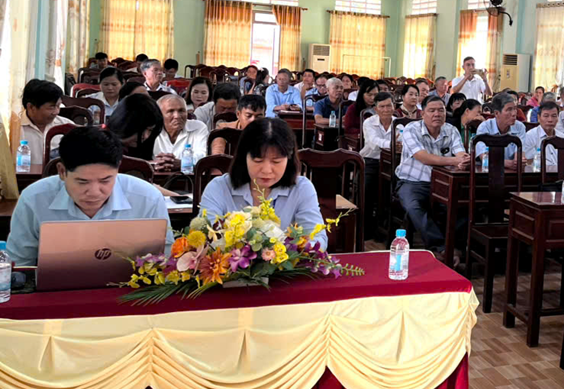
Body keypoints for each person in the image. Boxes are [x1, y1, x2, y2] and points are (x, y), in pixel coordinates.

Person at [6, 126, 174, 266]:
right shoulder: (34, 199)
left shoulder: (147, 198)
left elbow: (165, 259)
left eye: (105, 180)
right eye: (82, 181)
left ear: (118, 169)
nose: (94, 192)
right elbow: (20, 264)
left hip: (132, 291)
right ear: (62, 172)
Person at [200, 118, 328, 249]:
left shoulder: (301, 188)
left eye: (276, 161)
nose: (267, 170)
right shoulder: (219, 188)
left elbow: (318, 239)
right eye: (258, 160)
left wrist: (296, 250)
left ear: (288, 159)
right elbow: (205, 238)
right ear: (244, 157)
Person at [395, 95, 469, 260]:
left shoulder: (451, 130)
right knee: (414, 207)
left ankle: (456, 248)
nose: (437, 114)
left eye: (441, 110)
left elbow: (460, 152)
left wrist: (463, 159)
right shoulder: (411, 129)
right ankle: (440, 247)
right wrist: (454, 161)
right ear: (423, 114)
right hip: (413, 182)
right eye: (432, 110)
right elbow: (423, 157)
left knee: (464, 205)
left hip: (444, 182)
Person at [360, 91, 395, 238]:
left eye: (389, 106)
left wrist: (394, 145)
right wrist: (393, 144)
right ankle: (366, 229)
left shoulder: (398, 123)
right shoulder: (369, 122)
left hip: (392, 162)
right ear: (376, 109)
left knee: (392, 191)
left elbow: (403, 141)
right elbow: (374, 143)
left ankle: (386, 227)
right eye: (382, 106)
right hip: (371, 160)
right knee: (367, 189)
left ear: (394, 106)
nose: (386, 110)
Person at [18, 79, 73, 162]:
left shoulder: (66, 127)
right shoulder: (15, 130)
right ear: (31, 107)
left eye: (58, 106)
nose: (56, 112)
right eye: (51, 107)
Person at [152, 94, 209, 170]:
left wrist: (182, 163)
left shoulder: (198, 127)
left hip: (188, 176)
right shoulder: (151, 129)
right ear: (159, 115)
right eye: (170, 111)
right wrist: (155, 163)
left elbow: (202, 157)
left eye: (181, 111)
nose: (177, 116)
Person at [104, 93, 164, 160]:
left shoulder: (143, 147)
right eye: (141, 129)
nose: (146, 136)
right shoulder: (100, 146)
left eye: (150, 130)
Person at [474, 92, 526, 168]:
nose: (514, 114)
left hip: (512, 172)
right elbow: (484, 158)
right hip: (488, 171)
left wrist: (518, 161)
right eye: (509, 110)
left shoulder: (520, 127)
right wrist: (506, 163)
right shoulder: (485, 127)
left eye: (515, 109)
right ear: (496, 113)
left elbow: (519, 155)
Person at [522, 101, 564, 172]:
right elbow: (528, 162)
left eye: (554, 116)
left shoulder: (562, 137)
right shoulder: (530, 136)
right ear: (539, 118)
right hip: (538, 175)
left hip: (560, 175)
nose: (550, 120)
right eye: (546, 116)